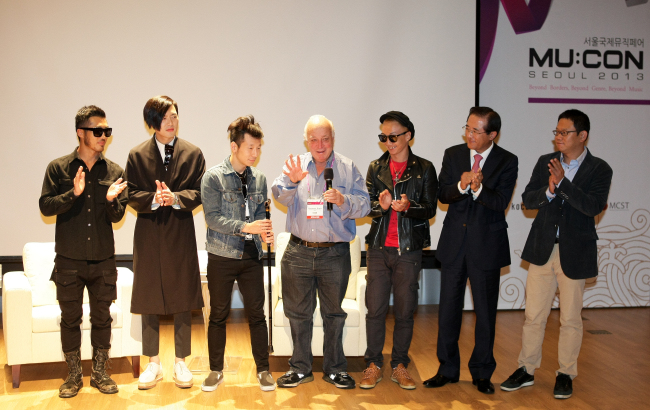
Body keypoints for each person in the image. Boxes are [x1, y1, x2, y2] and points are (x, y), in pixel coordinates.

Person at [500, 109, 612, 399]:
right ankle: (526, 369)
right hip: (543, 249)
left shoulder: (600, 168)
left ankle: (565, 374)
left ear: (582, 135)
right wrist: (549, 191)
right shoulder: (544, 163)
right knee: (533, 315)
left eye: (565, 133)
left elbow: (592, 206)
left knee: (571, 319)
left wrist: (563, 185)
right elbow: (527, 200)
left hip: (575, 252)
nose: (558, 137)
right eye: (557, 132)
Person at [423, 107, 518, 394]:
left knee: (485, 314)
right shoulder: (453, 154)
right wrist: (462, 185)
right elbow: (442, 193)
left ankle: (481, 373)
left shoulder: (506, 161)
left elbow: (501, 200)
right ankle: (447, 369)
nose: (469, 135)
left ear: (492, 134)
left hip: (486, 246)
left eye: (476, 131)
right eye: (467, 128)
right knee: (448, 310)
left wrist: (478, 190)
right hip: (454, 245)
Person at [271, 115, 370, 389]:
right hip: (298, 252)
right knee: (298, 313)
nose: (319, 144)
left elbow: (366, 204)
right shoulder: (295, 166)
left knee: (334, 314)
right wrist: (291, 183)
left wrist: (343, 200)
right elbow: (278, 193)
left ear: (332, 140)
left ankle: (335, 369)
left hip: (334, 253)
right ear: (307, 141)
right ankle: (300, 368)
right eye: (314, 139)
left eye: (325, 138)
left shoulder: (348, 168)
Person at [39, 105, 128, 398]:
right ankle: (74, 375)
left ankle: (100, 373)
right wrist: (72, 194)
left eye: (107, 131)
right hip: (69, 260)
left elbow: (116, 217)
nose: (104, 136)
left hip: (103, 259)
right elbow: (45, 206)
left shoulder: (114, 171)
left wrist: (112, 201)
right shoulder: (58, 168)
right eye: (97, 131)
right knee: (70, 319)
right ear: (81, 133)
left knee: (102, 318)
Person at [126, 95, 206, 389]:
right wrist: (152, 199)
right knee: (149, 295)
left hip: (180, 230)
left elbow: (200, 192)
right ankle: (153, 363)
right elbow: (129, 193)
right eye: (164, 117)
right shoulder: (136, 155)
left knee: (183, 293)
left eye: (174, 116)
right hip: (148, 232)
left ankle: (181, 363)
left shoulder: (193, 153)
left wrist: (175, 198)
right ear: (152, 123)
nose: (171, 122)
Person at [361, 111, 438, 390]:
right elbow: (365, 205)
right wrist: (379, 207)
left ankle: (400, 365)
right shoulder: (375, 167)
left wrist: (409, 207)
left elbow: (430, 208)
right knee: (375, 309)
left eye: (393, 136)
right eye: (383, 137)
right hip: (379, 248)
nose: (388, 142)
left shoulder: (425, 168)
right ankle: (373, 365)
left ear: (408, 135)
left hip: (409, 250)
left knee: (405, 311)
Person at [200, 115, 275, 392]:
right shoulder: (213, 178)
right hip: (221, 255)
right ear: (234, 147)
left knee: (257, 314)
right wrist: (247, 226)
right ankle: (215, 370)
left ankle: (264, 369)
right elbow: (213, 219)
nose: (255, 153)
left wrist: (264, 232)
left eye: (258, 148)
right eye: (250, 148)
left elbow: (259, 216)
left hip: (251, 256)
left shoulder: (260, 179)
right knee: (218, 313)